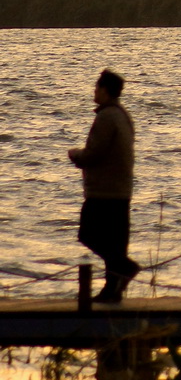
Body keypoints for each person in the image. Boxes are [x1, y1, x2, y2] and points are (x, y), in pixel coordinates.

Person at [68, 69, 140, 303]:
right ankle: (112, 291)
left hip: (104, 191)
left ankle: (124, 268)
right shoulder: (123, 115)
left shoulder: (107, 117)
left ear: (106, 90)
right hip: (121, 190)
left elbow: (93, 153)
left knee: (88, 234)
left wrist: (75, 154)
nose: (94, 91)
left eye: (97, 87)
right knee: (115, 242)